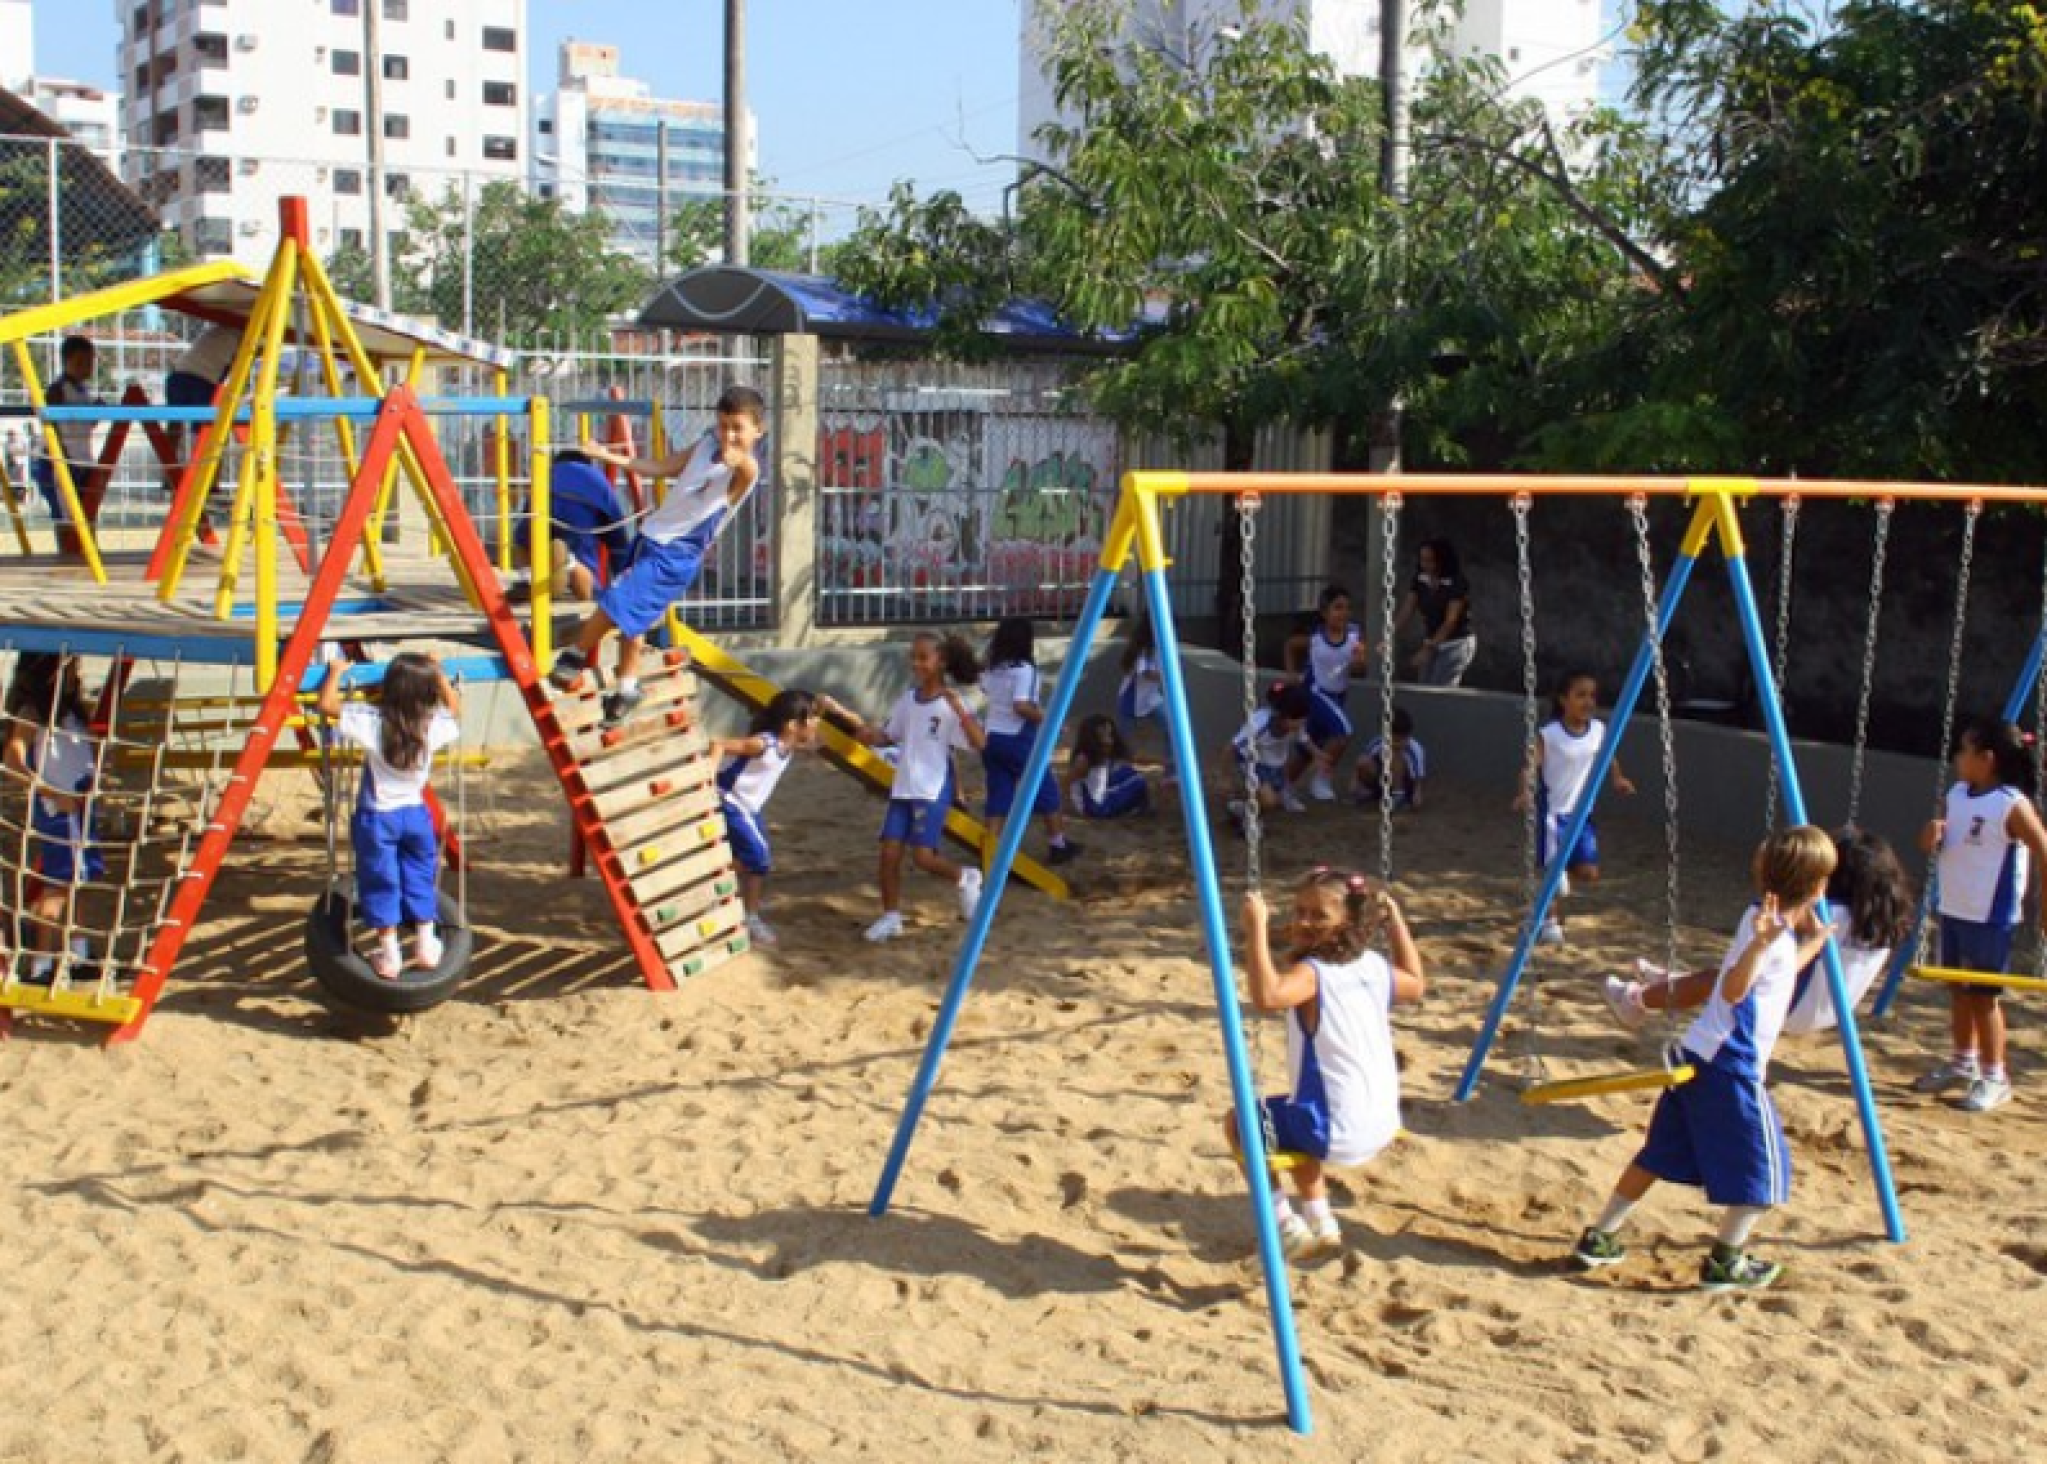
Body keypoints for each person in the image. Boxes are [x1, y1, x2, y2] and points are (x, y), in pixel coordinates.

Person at [1571, 825, 1840, 1292]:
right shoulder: (1767, 938)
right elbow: (1736, 989)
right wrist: (1762, 945)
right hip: (1730, 1066)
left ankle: (1600, 1237)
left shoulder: (1757, 917)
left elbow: (1776, 971)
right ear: (1819, 888)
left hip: (1698, 1053)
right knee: (1767, 1171)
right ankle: (1726, 1261)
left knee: (1658, 1155)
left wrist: (1816, 943)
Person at [1229, 867, 1424, 1260]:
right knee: (1296, 1111)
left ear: (1348, 921)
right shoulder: (1371, 966)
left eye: (1319, 915)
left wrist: (1256, 932)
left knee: (1240, 1120)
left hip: (1336, 1130)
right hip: (1383, 1122)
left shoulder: (1311, 975)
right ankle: (1321, 1220)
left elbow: (1267, 996)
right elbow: (1416, 984)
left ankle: (1283, 1222)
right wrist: (1397, 923)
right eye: (1300, 911)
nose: (1304, 922)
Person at [547, 385, 766, 727]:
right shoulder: (707, 444)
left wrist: (740, 458)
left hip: (676, 554)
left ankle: (573, 656)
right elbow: (661, 467)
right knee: (631, 621)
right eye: (724, 426)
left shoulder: (746, 471)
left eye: (738, 428)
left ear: (758, 431)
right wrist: (607, 456)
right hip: (650, 537)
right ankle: (627, 688)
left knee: (618, 602)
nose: (729, 435)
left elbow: (746, 468)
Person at [1603, 828, 1913, 1038]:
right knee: (1734, 970)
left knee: (1722, 978)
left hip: (1795, 1009)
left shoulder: (1827, 913)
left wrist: (1788, 860)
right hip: (1835, 1013)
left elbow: (1781, 902)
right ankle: (1671, 985)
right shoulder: (1884, 921)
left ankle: (1635, 1002)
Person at [1909, 716, 2047, 1113]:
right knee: (1957, 989)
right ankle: (1962, 1062)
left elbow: (2042, 848)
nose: (1957, 756)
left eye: (1964, 750)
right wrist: (1930, 835)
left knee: (1984, 997)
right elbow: (1931, 844)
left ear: (1986, 759)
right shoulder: (1957, 794)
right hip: (1953, 907)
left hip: (1990, 915)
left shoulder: (2010, 803)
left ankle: (1994, 1075)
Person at [316, 653, 462, 980]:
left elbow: (326, 705)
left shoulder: (373, 720)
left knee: (380, 879)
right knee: (420, 874)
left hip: (377, 817)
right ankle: (426, 941)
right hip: (416, 815)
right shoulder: (432, 723)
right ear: (427, 693)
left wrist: (336, 673)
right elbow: (456, 709)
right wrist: (439, 674)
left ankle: (390, 951)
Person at [836, 632, 987, 943]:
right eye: (913, 657)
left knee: (923, 858)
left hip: (931, 789)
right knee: (888, 853)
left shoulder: (951, 703)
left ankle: (966, 876)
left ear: (941, 661)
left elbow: (979, 742)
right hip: (903, 787)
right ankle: (891, 916)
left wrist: (959, 708)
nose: (916, 664)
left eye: (923, 657)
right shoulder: (908, 700)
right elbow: (889, 735)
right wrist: (868, 735)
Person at [3, 652, 105, 982]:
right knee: (58, 886)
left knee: (80, 882)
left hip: (80, 807)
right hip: (60, 810)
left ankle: (78, 954)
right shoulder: (33, 713)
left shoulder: (73, 711)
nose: (78, 672)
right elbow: (13, 761)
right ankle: (42, 964)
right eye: (71, 667)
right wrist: (51, 793)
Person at [1514, 668, 1634, 945]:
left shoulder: (1599, 731)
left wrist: (1617, 778)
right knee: (1552, 872)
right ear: (1563, 699)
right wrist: (1525, 792)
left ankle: (1559, 880)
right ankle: (1548, 922)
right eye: (1580, 695)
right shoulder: (1550, 734)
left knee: (1589, 873)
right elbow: (1529, 767)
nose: (1588, 702)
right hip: (1554, 814)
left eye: (1592, 695)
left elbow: (1608, 756)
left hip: (1582, 815)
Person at [713, 688, 835, 948]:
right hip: (731, 802)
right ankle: (748, 915)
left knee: (752, 860)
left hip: (749, 808)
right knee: (759, 857)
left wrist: (824, 709)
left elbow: (815, 741)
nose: (815, 723)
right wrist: (706, 777)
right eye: (811, 718)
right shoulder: (764, 744)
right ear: (792, 725)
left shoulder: (789, 742)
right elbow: (719, 744)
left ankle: (745, 907)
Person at [980, 616, 1080, 868]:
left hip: (990, 738)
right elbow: (1021, 705)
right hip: (1016, 737)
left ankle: (990, 852)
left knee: (999, 793)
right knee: (1045, 787)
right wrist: (1050, 720)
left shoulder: (993, 668)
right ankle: (1058, 844)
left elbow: (987, 690)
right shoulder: (1025, 670)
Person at [511, 450, 638, 603]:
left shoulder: (549, 473)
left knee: (522, 542)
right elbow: (617, 536)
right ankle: (571, 564)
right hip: (579, 511)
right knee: (587, 587)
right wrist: (622, 576)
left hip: (543, 507)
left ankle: (528, 578)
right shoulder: (595, 477)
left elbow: (527, 513)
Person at [1283, 584, 1370, 802]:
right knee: (1343, 732)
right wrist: (1291, 672)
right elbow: (1291, 645)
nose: (1343, 613)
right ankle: (1322, 778)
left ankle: (1283, 785)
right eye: (1337, 608)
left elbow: (1358, 670)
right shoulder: (1316, 639)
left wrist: (1360, 660)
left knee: (1309, 745)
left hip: (1338, 696)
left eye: (1347, 608)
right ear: (1324, 613)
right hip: (1315, 692)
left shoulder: (1354, 634)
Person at [1224, 680, 1320, 831]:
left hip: (1275, 765)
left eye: (1304, 720)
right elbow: (1231, 748)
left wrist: (1318, 754)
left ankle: (1241, 809)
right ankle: (1248, 820)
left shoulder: (1295, 724)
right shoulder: (1259, 725)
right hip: (1253, 763)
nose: (1302, 724)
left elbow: (1304, 738)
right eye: (1299, 720)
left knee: (1273, 801)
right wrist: (1225, 778)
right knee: (1269, 801)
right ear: (1283, 715)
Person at [1390, 538, 1476, 686]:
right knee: (1424, 685)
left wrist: (1427, 650)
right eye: (1423, 560)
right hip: (1432, 639)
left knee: (1440, 687)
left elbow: (1450, 622)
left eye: (1430, 560)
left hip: (1456, 643)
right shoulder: (1420, 579)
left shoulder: (1456, 583)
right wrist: (1389, 635)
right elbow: (1407, 609)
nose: (1425, 565)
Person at [34, 335, 99, 528]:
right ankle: (67, 555)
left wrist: (96, 413)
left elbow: (83, 426)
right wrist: (60, 455)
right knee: (66, 517)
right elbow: (51, 424)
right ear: (66, 361)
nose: (87, 367)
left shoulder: (83, 391)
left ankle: (83, 554)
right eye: (80, 362)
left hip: (81, 460)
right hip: (62, 462)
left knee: (86, 516)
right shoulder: (58, 390)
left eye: (90, 362)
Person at [1116, 610, 1173, 780]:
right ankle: (1119, 774)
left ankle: (1170, 772)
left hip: (1152, 698)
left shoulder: (1162, 644)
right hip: (1130, 699)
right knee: (1124, 743)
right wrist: (1168, 676)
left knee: (1172, 728)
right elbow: (1145, 673)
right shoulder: (1141, 647)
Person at [1065, 713, 1152, 820]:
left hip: (1098, 798)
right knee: (1138, 781)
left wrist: (1166, 762)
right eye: (1105, 734)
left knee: (1127, 772)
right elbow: (1068, 781)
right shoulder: (1085, 759)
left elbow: (1136, 759)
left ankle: (1137, 807)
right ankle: (1138, 808)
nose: (1109, 738)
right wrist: (1068, 807)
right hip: (1094, 808)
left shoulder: (1104, 751)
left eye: (1110, 734)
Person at [1351, 704, 1426, 811]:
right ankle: (1371, 792)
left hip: (1406, 784)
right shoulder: (1377, 742)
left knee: (1394, 755)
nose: (1397, 743)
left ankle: (1399, 796)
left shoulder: (1415, 749)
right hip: (1383, 779)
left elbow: (1418, 776)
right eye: (1394, 739)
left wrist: (1417, 793)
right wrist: (1355, 782)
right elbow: (1363, 760)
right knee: (1363, 761)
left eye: (1401, 739)